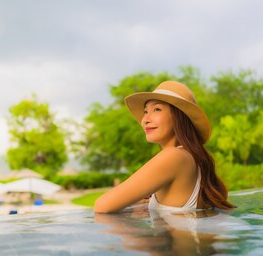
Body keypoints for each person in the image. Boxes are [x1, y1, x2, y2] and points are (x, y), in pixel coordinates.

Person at [94, 80, 234, 213]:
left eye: (157, 109)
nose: (145, 120)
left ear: (179, 116)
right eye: (145, 111)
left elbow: (102, 206)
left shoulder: (174, 156)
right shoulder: (188, 155)